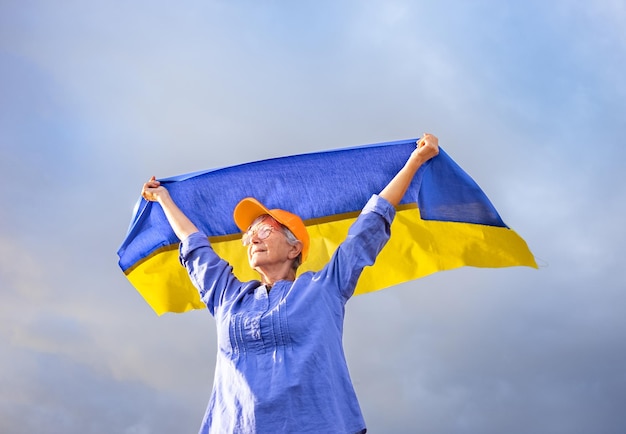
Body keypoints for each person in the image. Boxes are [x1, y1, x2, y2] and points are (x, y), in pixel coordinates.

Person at [141, 133, 439, 434]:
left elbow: (369, 224)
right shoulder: (227, 296)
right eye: (249, 236)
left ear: (294, 248)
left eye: (266, 230)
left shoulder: (324, 288)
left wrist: (416, 160)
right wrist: (164, 199)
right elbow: (194, 245)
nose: (253, 238)